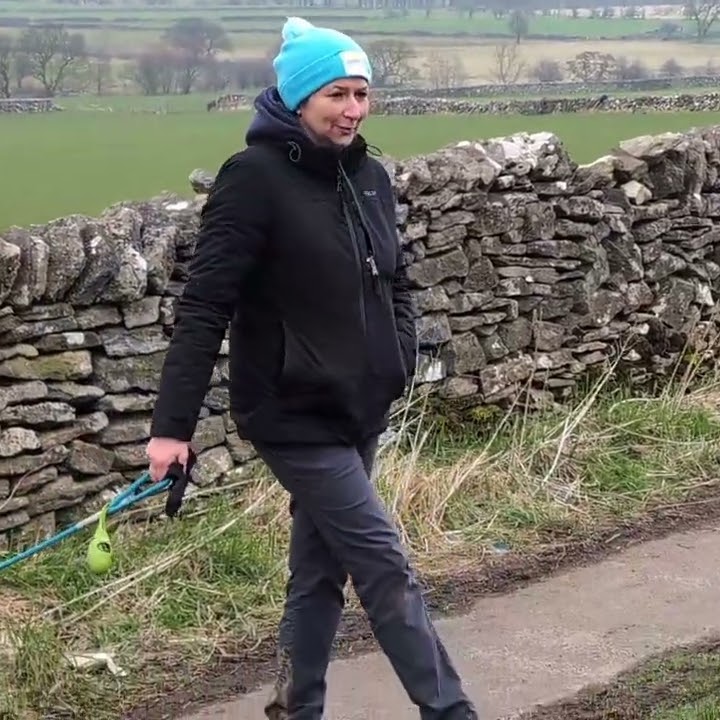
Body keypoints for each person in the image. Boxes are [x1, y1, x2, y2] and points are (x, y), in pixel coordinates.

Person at [145, 17, 476, 720]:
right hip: (290, 412)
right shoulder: (253, 180)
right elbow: (205, 305)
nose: (353, 108)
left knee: (319, 571)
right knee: (383, 563)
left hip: (360, 406)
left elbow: (399, 282)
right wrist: (171, 429)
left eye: (362, 93)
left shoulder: (371, 178)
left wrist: (398, 357)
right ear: (299, 98)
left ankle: (297, 710)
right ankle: (451, 712)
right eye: (336, 93)